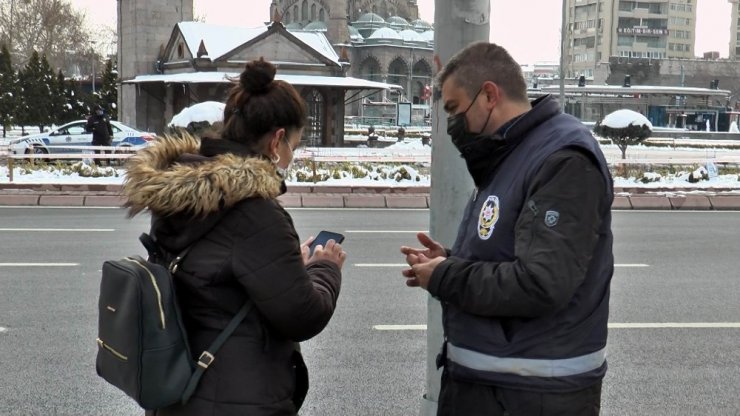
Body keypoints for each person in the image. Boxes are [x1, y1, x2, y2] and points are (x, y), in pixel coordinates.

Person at [400, 42, 614, 416]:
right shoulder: (512, 151)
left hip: (530, 394)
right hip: (500, 387)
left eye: (454, 109)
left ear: (488, 95)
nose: (452, 124)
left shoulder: (562, 160)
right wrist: (449, 259)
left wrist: (447, 275)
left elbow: (540, 283)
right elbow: (511, 251)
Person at [123, 57, 346, 416]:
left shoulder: (181, 189)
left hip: (179, 387)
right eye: (294, 144)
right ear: (277, 141)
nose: (292, 154)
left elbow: (215, 279)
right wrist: (324, 269)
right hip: (239, 397)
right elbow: (302, 316)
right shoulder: (257, 214)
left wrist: (287, 263)